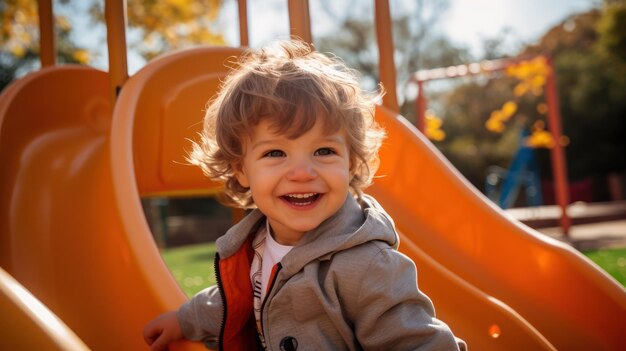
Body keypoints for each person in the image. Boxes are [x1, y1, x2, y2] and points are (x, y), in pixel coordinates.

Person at [143, 39, 466, 351]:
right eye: (275, 153)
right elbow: (237, 299)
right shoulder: (254, 244)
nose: (302, 173)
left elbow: (417, 343)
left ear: (351, 163)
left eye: (323, 151)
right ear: (241, 169)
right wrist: (184, 319)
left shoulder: (368, 266)